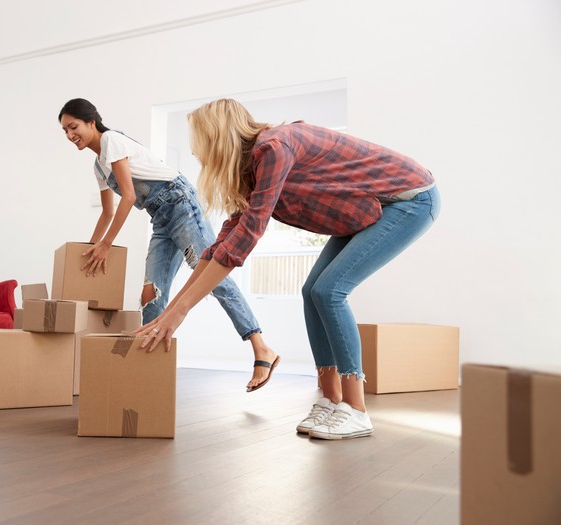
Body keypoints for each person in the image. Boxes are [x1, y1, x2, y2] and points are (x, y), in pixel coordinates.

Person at [137, 99, 440, 440]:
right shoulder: (252, 170)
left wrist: (179, 312)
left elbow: (246, 238)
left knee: (330, 290)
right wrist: (168, 315)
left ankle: (356, 410)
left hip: (410, 200)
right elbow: (219, 247)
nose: (195, 153)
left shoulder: (273, 149)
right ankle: (330, 400)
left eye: (198, 142)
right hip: (366, 210)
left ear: (216, 138)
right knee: (312, 290)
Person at [58, 98, 279, 392]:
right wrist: (89, 248)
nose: (71, 135)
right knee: (151, 294)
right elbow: (107, 212)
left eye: (73, 127)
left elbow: (129, 197)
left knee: (211, 275)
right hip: (160, 218)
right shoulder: (98, 167)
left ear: (91, 122)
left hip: (180, 203)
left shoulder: (111, 140)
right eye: (65, 131)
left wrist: (107, 245)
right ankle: (148, 375)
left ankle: (261, 347)